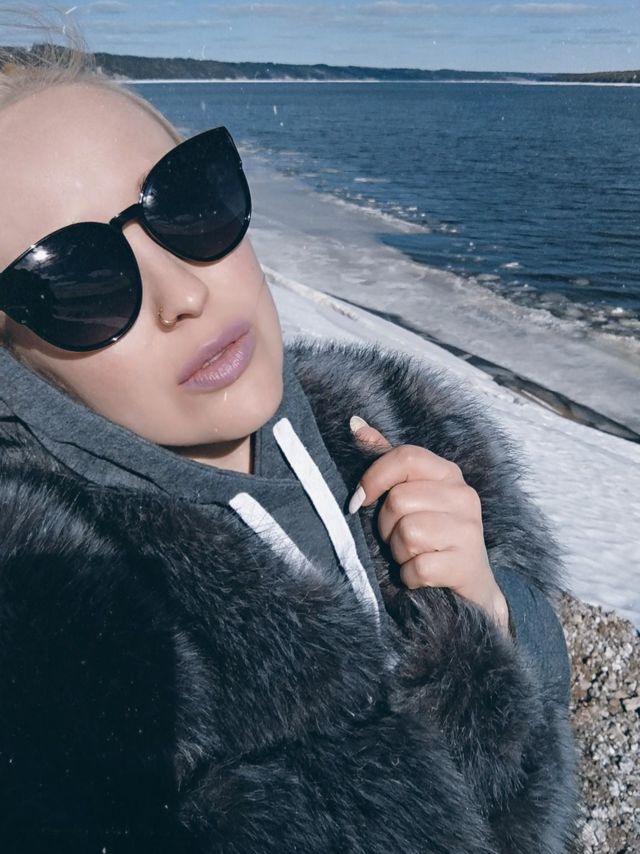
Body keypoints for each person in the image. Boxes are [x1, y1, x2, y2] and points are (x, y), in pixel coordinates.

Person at [0, 30, 576, 854]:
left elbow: (542, 699)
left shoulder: (407, 425)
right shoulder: (60, 623)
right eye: (78, 279)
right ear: (16, 361)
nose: (183, 293)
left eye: (186, 203)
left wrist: (489, 609)